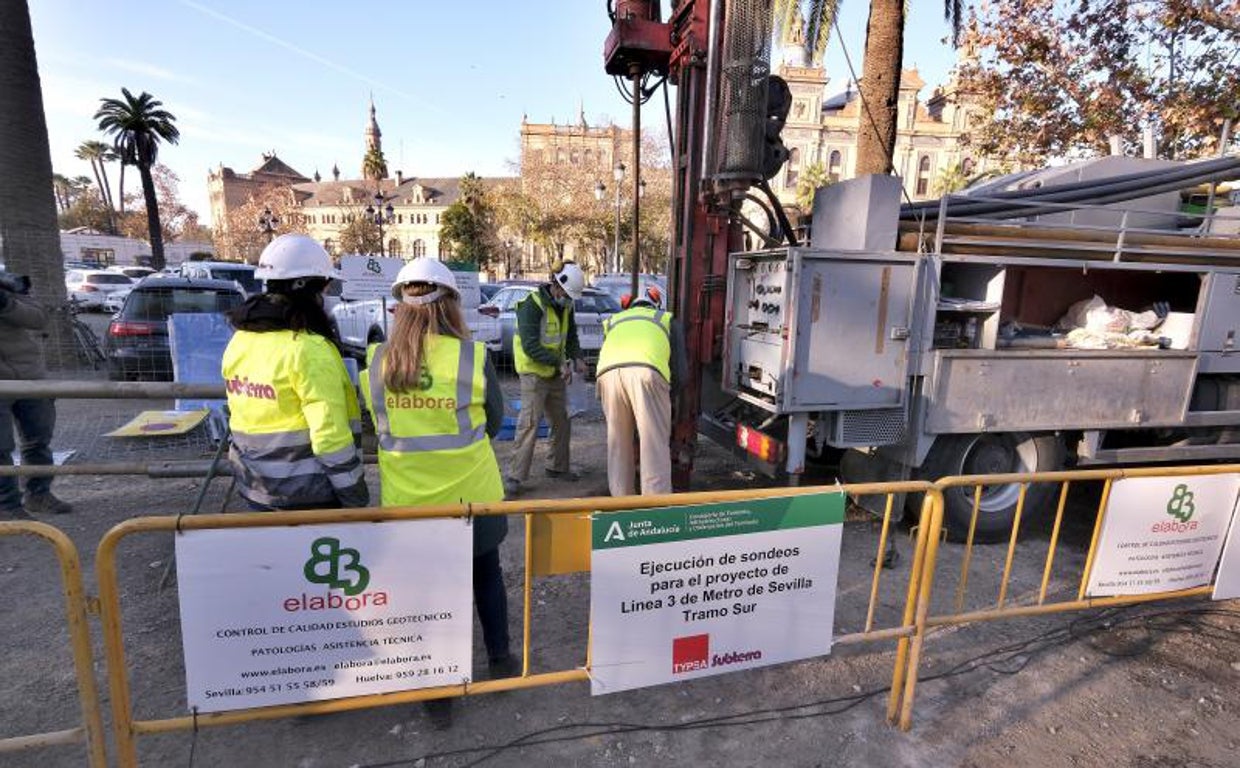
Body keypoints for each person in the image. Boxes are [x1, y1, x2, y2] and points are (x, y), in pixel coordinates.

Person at [361, 258, 517, 729]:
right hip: (473, 499)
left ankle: (438, 691)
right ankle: (501, 662)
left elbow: (374, 429)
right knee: (486, 577)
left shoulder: (377, 362)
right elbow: (494, 423)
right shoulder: (472, 357)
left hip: (410, 506)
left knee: (426, 597)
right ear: (451, 304)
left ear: (398, 307)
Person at [221, 234, 368, 511]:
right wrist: (354, 495)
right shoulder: (309, 349)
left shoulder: (240, 340)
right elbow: (330, 436)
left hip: (257, 490)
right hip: (308, 497)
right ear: (307, 287)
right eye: (325, 286)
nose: (326, 295)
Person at [503, 260, 588, 496]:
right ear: (556, 286)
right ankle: (515, 476)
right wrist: (559, 363)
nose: (568, 300)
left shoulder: (567, 306)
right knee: (529, 423)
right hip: (533, 374)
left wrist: (577, 357)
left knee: (562, 420)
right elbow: (530, 346)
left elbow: (571, 337)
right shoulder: (531, 306)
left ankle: (557, 467)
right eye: (567, 295)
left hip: (555, 373)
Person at [596, 285, 685, 496]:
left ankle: (621, 502)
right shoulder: (665, 320)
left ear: (628, 306)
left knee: (618, 444)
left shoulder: (615, 320)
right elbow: (681, 372)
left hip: (608, 377)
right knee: (653, 446)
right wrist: (669, 398)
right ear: (657, 304)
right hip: (646, 373)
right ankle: (654, 507)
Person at [0, 272, 72, 519]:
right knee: (0, 447)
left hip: (30, 377)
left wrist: (6, 303)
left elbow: (38, 317)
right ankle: (6, 505)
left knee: (38, 440)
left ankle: (38, 494)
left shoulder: (8, 286)